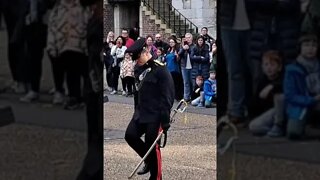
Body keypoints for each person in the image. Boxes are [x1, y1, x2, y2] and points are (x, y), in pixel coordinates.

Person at [124, 38, 175, 180]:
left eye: (137, 58)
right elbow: (138, 93)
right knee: (130, 136)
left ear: (145, 52)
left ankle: (156, 177)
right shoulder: (138, 68)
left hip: (156, 115)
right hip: (141, 113)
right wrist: (136, 112)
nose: (136, 62)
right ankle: (148, 160)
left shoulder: (161, 69)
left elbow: (168, 96)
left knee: (153, 147)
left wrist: (165, 120)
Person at [284, 34, 320, 140]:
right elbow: (290, 95)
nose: (310, 49)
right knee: (294, 132)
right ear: (300, 48)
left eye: (314, 45)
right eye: (306, 45)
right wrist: (312, 99)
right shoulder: (292, 69)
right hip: (301, 104)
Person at [249, 50, 285, 137]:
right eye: (266, 65)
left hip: (282, 112)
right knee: (254, 126)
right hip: (269, 114)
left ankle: (279, 127)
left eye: (272, 65)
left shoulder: (283, 79)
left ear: (279, 67)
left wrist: (272, 86)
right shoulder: (261, 82)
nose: (269, 68)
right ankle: (276, 130)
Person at [178, 33, 195, 102]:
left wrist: (188, 50)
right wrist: (183, 49)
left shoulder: (194, 46)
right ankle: (186, 98)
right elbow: (179, 54)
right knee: (186, 82)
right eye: (186, 38)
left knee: (192, 82)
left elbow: (193, 55)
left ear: (192, 38)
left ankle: (193, 96)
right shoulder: (182, 46)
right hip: (184, 66)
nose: (187, 39)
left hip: (192, 66)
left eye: (189, 38)